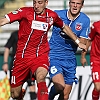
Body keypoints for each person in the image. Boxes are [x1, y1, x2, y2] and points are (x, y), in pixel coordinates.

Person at [0, 0, 87, 100]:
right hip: (22, 58)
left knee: (41, 77)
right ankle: (20, 94)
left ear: (46, 3)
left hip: (40, 55)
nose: (36, 6)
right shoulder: (24, 12)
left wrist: (77, 41)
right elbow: (3, 20)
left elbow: (64, 27)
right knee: (14, 94)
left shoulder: (51, 15)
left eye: (40, 3)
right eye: (34, 2)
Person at [48, 0, 90, 100]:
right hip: (54, 55)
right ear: (69, 3)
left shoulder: (85, 20)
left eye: (78, 3)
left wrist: (68, 32)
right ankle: (49, 96)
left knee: (65, 96)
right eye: (73, 2)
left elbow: (83, 42)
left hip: (70, 58)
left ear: (82, 5)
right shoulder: (57, 14)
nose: (75, 5)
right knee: (59, 86)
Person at [2, 30, 37, 100]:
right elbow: (7, 47)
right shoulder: (15, 34)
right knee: (15, 89)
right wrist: (5, 63)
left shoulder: (31, 34)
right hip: (16, 64)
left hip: (28, 64)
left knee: (32, 85)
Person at [82, 20, 100, 100]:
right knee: (98, 87)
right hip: (96, 59)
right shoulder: (96, 26)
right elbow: (89, 40)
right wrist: (83, 56)